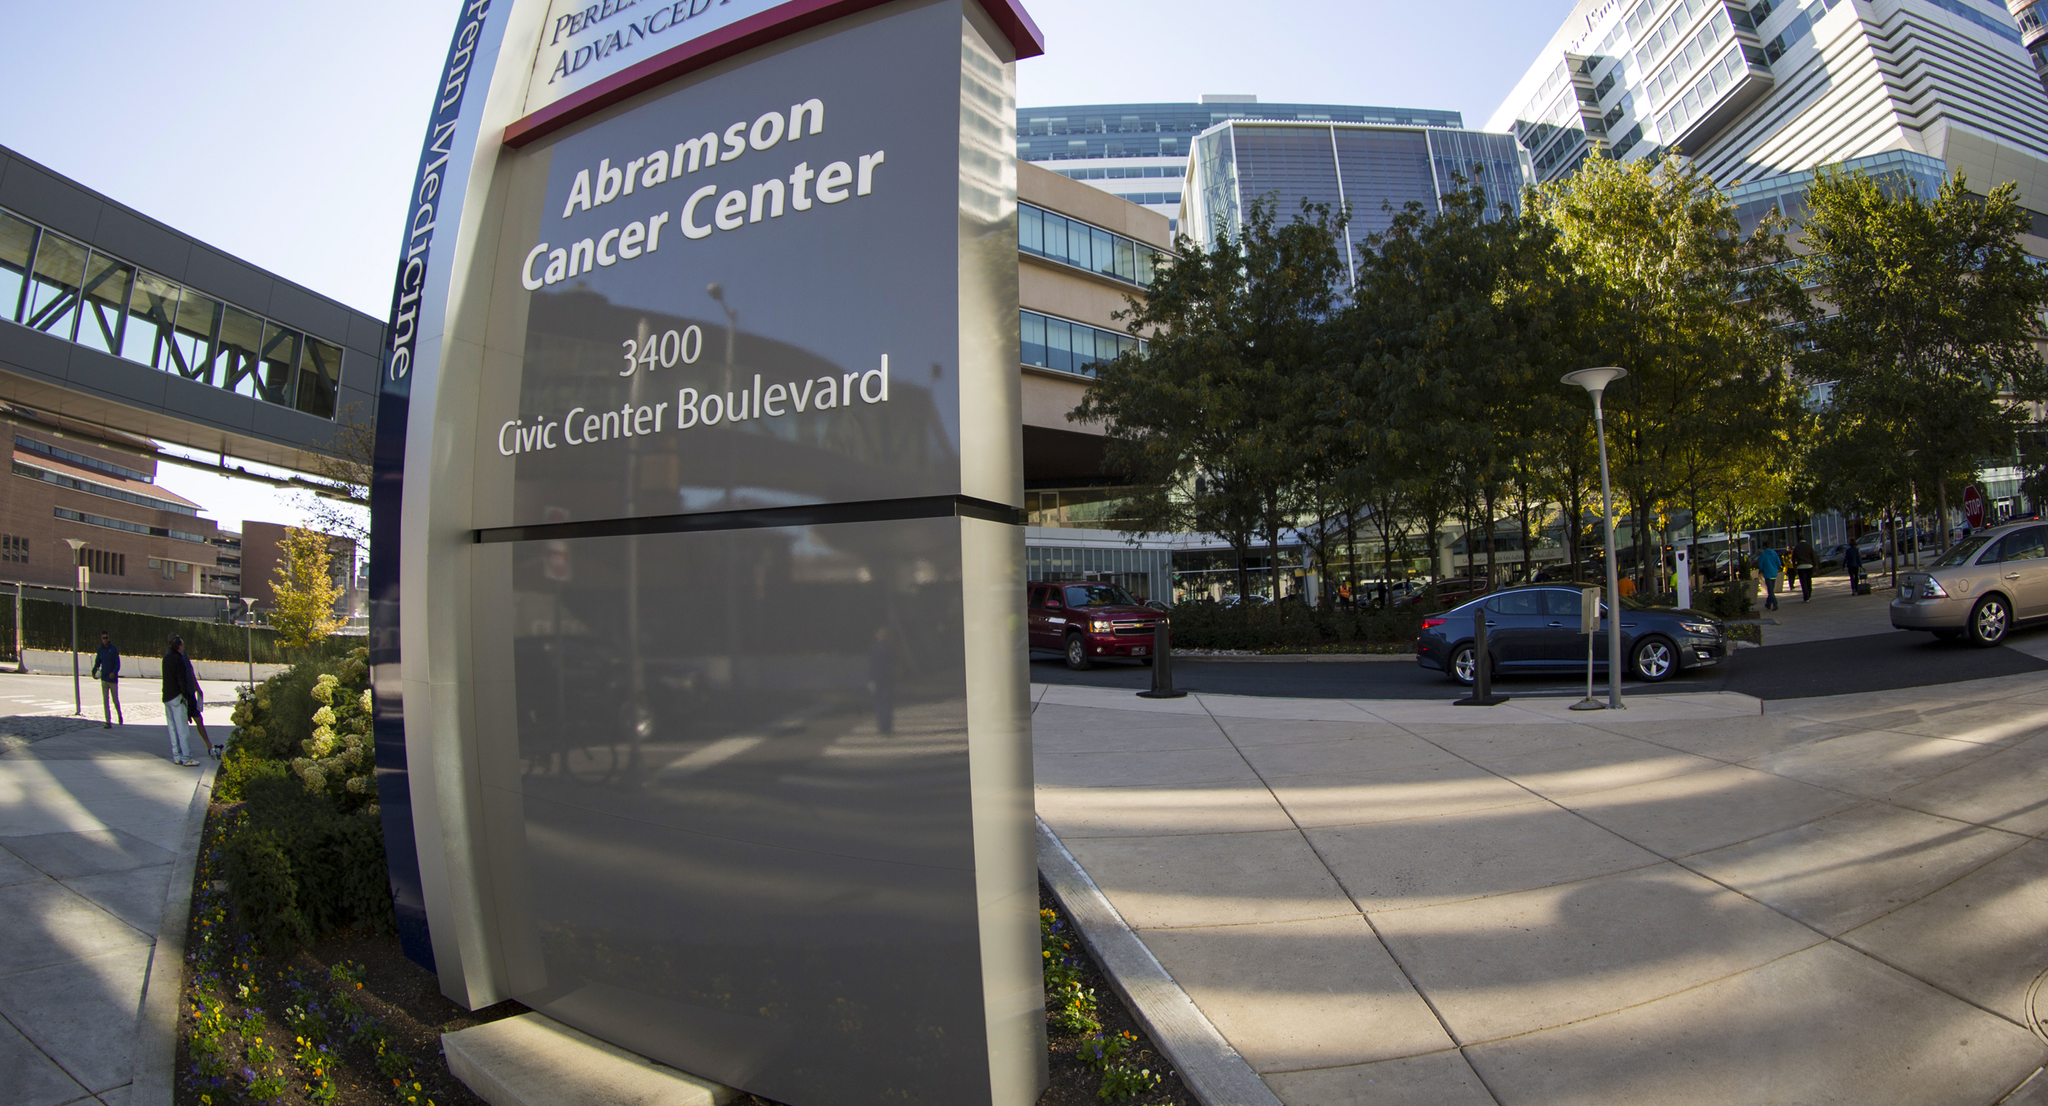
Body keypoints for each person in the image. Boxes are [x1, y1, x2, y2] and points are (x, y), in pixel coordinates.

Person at [161, 634, 202, 767]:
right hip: (177, 697)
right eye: (182, 645)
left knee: (172, 728)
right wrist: (185, 696)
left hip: (167, 696)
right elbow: (182, 680)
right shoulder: (178, 659)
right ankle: (186, 757)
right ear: (179, 646)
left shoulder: (166, 658)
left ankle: (177, 756)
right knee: (182, 729)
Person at [90, 631, 124, 728]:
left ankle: (119, 715)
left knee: (115, 700)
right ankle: (107, 721)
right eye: (103, 638)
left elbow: (117, 663)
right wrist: (94, 671)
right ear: (101, 639)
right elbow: (98, 661)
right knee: (105, 700)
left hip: (112, 680)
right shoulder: (100, 649)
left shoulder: (113, 649)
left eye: (106, 637)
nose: (105, 639)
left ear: (109, 638)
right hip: (104, 678)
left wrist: (114, 672)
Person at [1792, 536, 1818, 602]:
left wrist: (1795, 566)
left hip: (1800, 566)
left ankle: (1806, 596)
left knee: (1803, 582)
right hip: (1809, 565)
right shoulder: (1809, 546)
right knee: (1808, 580)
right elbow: (1813, 556)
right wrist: (1815, 564)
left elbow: (1793, 558)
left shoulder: (1797, 547)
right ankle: (1809, 594)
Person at [1758, 545, 1782, 611]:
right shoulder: (1774, 553)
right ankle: (1768, 603)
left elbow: (1760, 565)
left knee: (1770, 590)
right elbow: (1779, 563)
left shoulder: (1763, 554)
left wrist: (1763, 570)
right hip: (1774, 573)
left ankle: (1775, 603)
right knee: (1771, 589)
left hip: (1767, 573)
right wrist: (1775, 569)